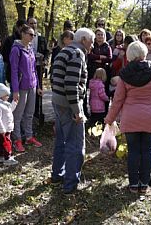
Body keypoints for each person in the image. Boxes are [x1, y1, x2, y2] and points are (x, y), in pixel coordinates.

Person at [104, 41, 151, 194]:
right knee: (147, 150)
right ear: (144, 53)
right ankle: (144, 184)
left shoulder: (124, 74)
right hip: (150, 118)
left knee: (133, 151)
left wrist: (109, 119)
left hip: (130, 118)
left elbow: (117, 100)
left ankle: (133, 184)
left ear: (130, 55)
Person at [51, 28, 95, 195]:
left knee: (61, 141)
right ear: (83, 39)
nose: (91, 45)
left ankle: (57, 175)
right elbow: (71, 84)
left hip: (58, 101)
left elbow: (55, 79)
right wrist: (77, 111)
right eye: (90, 41)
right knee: (75, 145)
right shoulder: (77, 54)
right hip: (69, 105)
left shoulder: (64, 51)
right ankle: (71, 184)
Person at [10, 25, 43, 152]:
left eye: (34, 35)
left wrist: (38, 86)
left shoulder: (30, 49)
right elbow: (13, 70)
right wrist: (15, 90)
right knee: (18, 115)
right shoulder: (16, 49)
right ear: (22, 34)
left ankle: (29, 136)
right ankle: (17, 139)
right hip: (21, 87)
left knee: (29, 113)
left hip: (32, 85)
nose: (32, 37)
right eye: (30, 34)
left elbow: (34, 69)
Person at [0, 83, 18, 166]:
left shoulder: (4, 104)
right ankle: (7, 158)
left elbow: (9, 110)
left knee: (2, 143)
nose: (8, 97)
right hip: (3, 130)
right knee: (6, 143)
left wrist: (14, 103)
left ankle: (1, 156)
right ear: (1, 96)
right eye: (6, 95)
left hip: (6, 128)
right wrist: (1, 130)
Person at [27, 17, 49, 120]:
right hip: (27, 68)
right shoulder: (24, 37)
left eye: (35, 23)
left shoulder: (41, 38)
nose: (33, 25)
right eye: (31, 23)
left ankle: (37, 111)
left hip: (38, 67)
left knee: (38, 89)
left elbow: (46, 51)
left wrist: (45, 59)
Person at [1, 19, 27, 83]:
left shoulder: (27, 40)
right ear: (17, 27)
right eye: (21, 27)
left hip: (26, 75)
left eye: (25, 27)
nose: (22, 29)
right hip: (13, 72)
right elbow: (5, 57)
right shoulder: (9, 40)